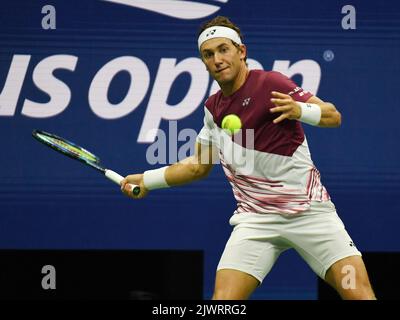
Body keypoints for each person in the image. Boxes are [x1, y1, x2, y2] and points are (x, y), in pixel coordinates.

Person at [121, 16, 376, 300]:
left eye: (223, 49)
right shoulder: (212, 109)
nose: (217, 59)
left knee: (359, 293)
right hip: (255, 221)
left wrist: (300, 110)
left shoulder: (270, 83)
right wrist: (147, 180)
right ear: (203, 62)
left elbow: (333, 116)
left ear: (241, 51)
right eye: (208, 54)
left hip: (311, 214)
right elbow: (197, 167)